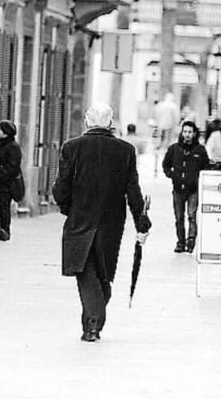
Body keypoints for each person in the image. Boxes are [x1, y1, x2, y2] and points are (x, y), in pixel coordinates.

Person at [52, 102, 151, 342]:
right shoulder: (125, 151)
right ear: (110, 123)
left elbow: (60, 188)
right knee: (102, 275)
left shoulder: (72, 147)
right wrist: (141, 221)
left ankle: (93, 323)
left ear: (87, 122)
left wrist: (68, 208)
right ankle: (93, 323)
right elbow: (133, 191)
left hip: (80, 219)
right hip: (112, 222)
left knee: (86, 272)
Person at [162, 120, 209, 253]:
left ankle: (191, 240)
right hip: (178, 189)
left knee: (192, 215)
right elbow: (165, 164)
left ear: (194, 134)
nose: (187, 135)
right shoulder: (174, 149)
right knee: (179, 217)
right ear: (182, 133)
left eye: (190, 132)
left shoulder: (200, 150)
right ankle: (180, 242)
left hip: (193, 189)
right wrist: (172, 175)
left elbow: (206, 167)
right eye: (185, 132)